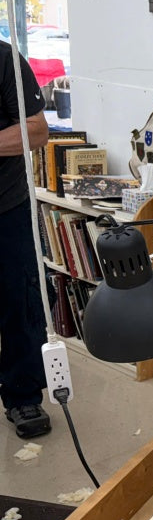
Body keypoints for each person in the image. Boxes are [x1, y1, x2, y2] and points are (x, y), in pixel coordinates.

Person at [0, 38, 51, 438]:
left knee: (18, 302)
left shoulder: (2, 58)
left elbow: (36, 132)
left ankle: (23, 396)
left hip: (6, 207)